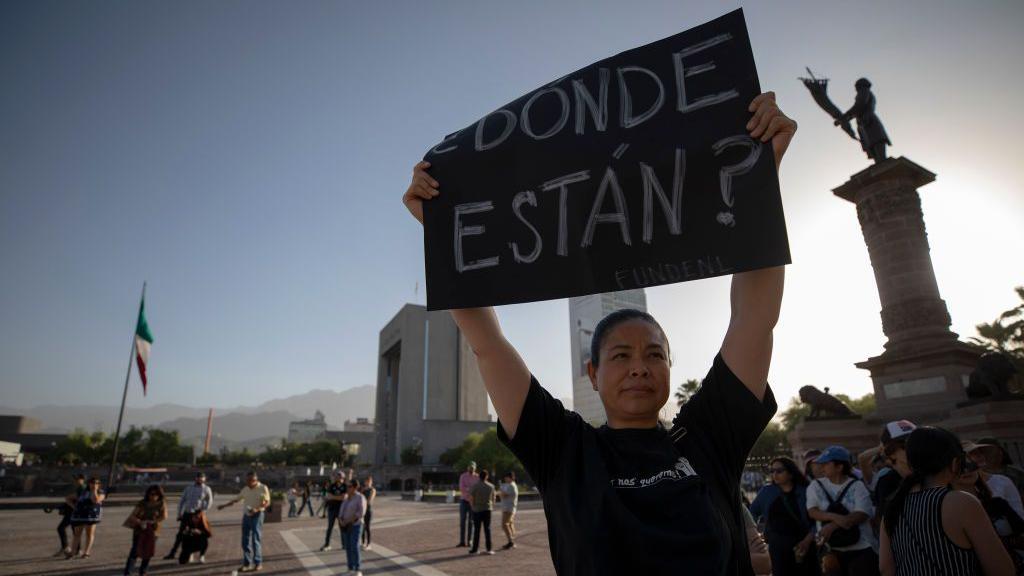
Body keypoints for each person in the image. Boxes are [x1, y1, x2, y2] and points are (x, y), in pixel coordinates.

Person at [402, 91, 794, 575]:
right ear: (591, 371)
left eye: (654, 355)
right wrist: (441, 234)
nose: (638, 367)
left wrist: (760, 180)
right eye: (621, 355)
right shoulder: (565, 449)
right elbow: (489, 344)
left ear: (670, 368)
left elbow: (754, 320)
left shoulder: (708, 438)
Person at [880, 426, 1015, 576]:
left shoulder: (893, 506)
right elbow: (1003, 570)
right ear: (955, 463)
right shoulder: (961, 502)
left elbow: (886, 569)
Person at [806, 446, 878, 576]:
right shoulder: (815, 486)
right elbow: (813, 511)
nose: (822, 467)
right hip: (830, 550)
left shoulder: (858, 486)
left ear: (839, 467)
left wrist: (832, 526)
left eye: (826, 463)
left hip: (861, 549)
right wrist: (835, 517)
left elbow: (862, 514)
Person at [954, 452, 1024, 573]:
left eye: (970, 464)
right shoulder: (952, 511)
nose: (966, 470)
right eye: (959, 468)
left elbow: (1021, 530)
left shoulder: (998, 503)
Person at [749, 457, 819, 576]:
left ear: (791, 473)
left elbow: (817, 520)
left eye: (779, 471)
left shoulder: (806, 491)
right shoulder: (767, 492)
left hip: (804, 543)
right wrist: (753, 535)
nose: (775, 474)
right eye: (772, 471)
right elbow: (751, 514)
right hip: (778, 546)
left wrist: (807, 541)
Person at [218, 470, 270, 572]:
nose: (249, 482)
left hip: (257, 515)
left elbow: (267, 503)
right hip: (246, 516)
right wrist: (224, 505)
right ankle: (246, 563)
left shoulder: (263, 488)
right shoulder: (245, 489)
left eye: (251, 480)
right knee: (245, 541)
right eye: (248, 480)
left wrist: (257, 509)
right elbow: (236, 499)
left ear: (256, 480)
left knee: (255, 539)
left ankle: (258, 563)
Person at [164, 471, 214, 561]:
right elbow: (182, 500)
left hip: (198, 514)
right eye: (198, 477)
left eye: (202, 477)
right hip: (187, 514)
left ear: (204, 479)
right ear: (195, 478)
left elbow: (210, 501)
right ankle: (173, 553)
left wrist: (203, 511)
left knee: (202, 534)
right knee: (180, 534)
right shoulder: (189, 488)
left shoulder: (206, 489)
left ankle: (201, 554)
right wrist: (179, 513)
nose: (200, 479)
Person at [123, 484, 168, 576]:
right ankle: (128, 572)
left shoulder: (161, 503)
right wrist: (140, 522)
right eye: (151, 494)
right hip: (140, 529)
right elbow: (132, 516)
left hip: (153, 531)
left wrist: (152, 521)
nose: (153, 496)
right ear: (147, 494)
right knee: (134, 551)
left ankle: (143, 571)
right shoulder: (142, 503)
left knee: (148, 552)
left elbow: (164, 516)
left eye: (156, 494)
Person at [68, 476, 105, 559]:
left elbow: (95, 500)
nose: (94, 484)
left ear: (99, 485)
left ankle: (86, 552)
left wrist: (94, 490)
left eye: (97, 483)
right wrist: (74, 507)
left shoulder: (101, 492)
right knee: (77, 534)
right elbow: (68, 498)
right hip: (79, 515)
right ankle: (73, 552)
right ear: (89, 483)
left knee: (89, 534)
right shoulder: (82, 492)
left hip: (91, 516)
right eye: (92, 483)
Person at [339, 478, 367, 576]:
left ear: (355, 487)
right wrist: (341, 520)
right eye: (347, 486)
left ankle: (358, 569)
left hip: (356, 525)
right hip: (345, 526)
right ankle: (350, 568)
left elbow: (361, 512)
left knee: (354, 546)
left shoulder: (360, 497)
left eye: (349, 486)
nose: (347, 488)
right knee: (348, 547)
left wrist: (348, 520)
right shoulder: (346, 498)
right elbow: (341, 510)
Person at [55, 473, 86, 557]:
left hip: (73, 512)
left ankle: (67, 547)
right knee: (75, 530)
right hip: (74, 512)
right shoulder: (81, 487)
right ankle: (76, 549)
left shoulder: (82, 488)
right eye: (75, 479)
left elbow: (73, 498)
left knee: (62, 528)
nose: (75, 481)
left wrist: (72, 504)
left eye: (77, 479)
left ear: (82, 479)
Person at [468, 469, 496, 555]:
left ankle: (475, 549)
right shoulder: (491, 486)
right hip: (487, 509)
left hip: (477, 509)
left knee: (477, 530)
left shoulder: (475, 486)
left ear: (479, 476)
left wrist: (473, 507)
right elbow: (493, 498)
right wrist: (492, 506)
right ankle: (489, 548)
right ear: (486, 477)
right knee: (487, 529)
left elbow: (471, 498)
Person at [320, 470, 348, 551]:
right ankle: (327, 544)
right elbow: (328, 496)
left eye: (339, 477)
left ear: (343, 478)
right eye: (337, 476)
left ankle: (344, 544)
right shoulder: (332, 486)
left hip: (341, 510)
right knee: (330, 527)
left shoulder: (345, 486)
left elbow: (344, 497)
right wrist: (338, 497)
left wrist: (334, 496)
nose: (338, 478)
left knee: (342, 527)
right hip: (332, 509)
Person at [457, 462, 479, 547]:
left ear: (475, 468)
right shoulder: (463, 476)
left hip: (473, 502)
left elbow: (477, 489)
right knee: (462, 521)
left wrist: (468, 489)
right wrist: (471, 489)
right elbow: (461, 488)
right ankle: (462, 541)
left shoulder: (477, 477)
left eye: (473, 468)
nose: (471, 469)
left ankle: (470, 541)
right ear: (467, 468)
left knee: (471, 522)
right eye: (470, 467)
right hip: (464, 501)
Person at [498, 471, 519, 550]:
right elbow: (501, 494)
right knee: (509, 524)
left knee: (504, 524)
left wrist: (501, 491)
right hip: (508, 507)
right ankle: (512, 540)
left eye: (506, 477)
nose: (505, 479)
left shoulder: (511, 486)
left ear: (510, 478)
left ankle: (511, 541)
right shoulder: (510, 485)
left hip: (508, 508)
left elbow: (503, 495)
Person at [361, 476, 376, 550]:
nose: (368, 482)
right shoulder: (362, 489)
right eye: (367, 481)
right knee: (362, 527)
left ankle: (369, 544)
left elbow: (370, 500)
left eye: (369, 481)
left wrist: (363, 503)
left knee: (367, 527)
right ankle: (363, 543)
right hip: (362, 510)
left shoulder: (372, 490)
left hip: (368, 510)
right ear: (365, 482)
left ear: (371, 482)